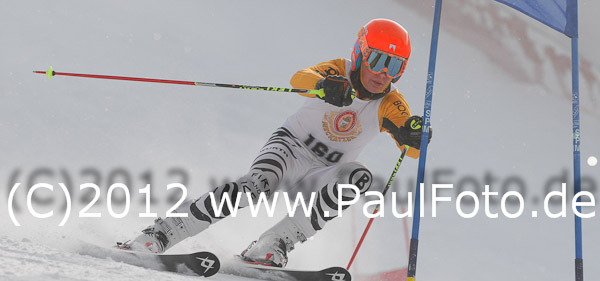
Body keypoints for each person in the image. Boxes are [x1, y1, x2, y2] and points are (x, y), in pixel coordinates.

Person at [118, 18, 431, 267]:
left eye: (394, 65)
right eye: (377, 59)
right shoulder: (339, 71)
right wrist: (324, 85)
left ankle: (274, 244)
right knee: (256, 186)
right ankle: (162, 233)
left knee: (358, 177)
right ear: (361, 53)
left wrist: (416, 136)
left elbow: (413, 149)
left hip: (324, 171)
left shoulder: (391, 103)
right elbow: (300, 79)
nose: (381, 72)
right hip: (290, 147)